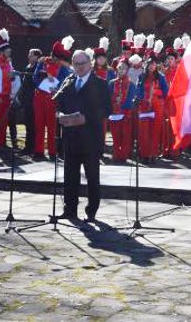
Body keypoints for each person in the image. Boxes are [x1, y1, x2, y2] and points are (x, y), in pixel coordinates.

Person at [54, 49, 112, 222]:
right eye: (76, 64)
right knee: (70, 176)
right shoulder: (68, 82)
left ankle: (91, 211)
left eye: (82, 64)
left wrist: (86, 118)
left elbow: (107, 109)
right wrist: (60, 116)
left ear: (90, 64)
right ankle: (69, 209)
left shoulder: (100, 84)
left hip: (90, 139)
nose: (79, 67)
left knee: (92, 177)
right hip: (71, 137)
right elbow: (59, 103)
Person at [32, 37, 73, 160]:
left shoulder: (63, 68)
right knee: (39, 125)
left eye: (58, 59)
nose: (56, 60)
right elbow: (35, 78)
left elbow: (67, 80)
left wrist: (57, 88)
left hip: (53, 98)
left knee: (52, 127)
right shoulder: (42, 62)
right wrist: (44, 80)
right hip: (40, 97)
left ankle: (52, 152)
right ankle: (38, 151)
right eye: (55, 57)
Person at [129, 54, 169, 160]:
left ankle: (153, 154)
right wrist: (144, 97)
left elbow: (166, 92)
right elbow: (138, 91)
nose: (152, 66)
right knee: (144, 130)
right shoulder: (141, 76)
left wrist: (155, 94)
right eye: (150, 64)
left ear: (156, 65)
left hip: (157, 106)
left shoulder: (161, 77)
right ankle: (144, 154)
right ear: (146, 64)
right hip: (144, 105)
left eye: (154, 64)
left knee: (155, 130)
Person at [107, 59, 134, 162]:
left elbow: (131, 99)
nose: (121, 70)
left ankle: (123, 155)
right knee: (115, 135)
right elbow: (108, 97)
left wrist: (123, 105)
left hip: (125, 113)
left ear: (127, 70)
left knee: (125, 135)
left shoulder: (131, 84)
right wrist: (114, 102)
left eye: (123, 68)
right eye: (119, 68)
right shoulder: (112, 83)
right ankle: (116, 154)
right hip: (114, 113)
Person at [19, 48, 41, 154]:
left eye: (31, 55)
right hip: (27, 99)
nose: (29, 56)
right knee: (28, 123)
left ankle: (34, 146)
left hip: (35, 99)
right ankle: (28, 146)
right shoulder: (28, 67)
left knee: (34, 124)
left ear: (37, 57)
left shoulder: (39, 68)